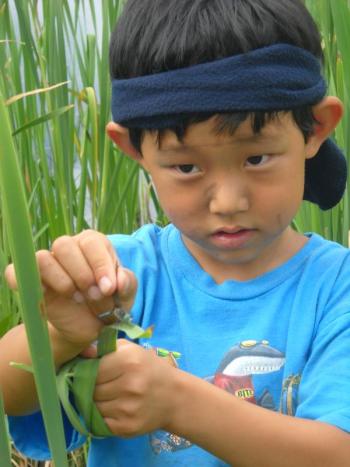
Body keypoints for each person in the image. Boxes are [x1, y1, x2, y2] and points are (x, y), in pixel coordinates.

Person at [1, 0, 350, 465]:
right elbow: (10, 392)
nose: (227, 202)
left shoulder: (336, 290)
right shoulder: (118, 275)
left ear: (316, 129)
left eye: (257, 158)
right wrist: (61, 334)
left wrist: (178, 402)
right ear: (133, 148)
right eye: (186, 166)